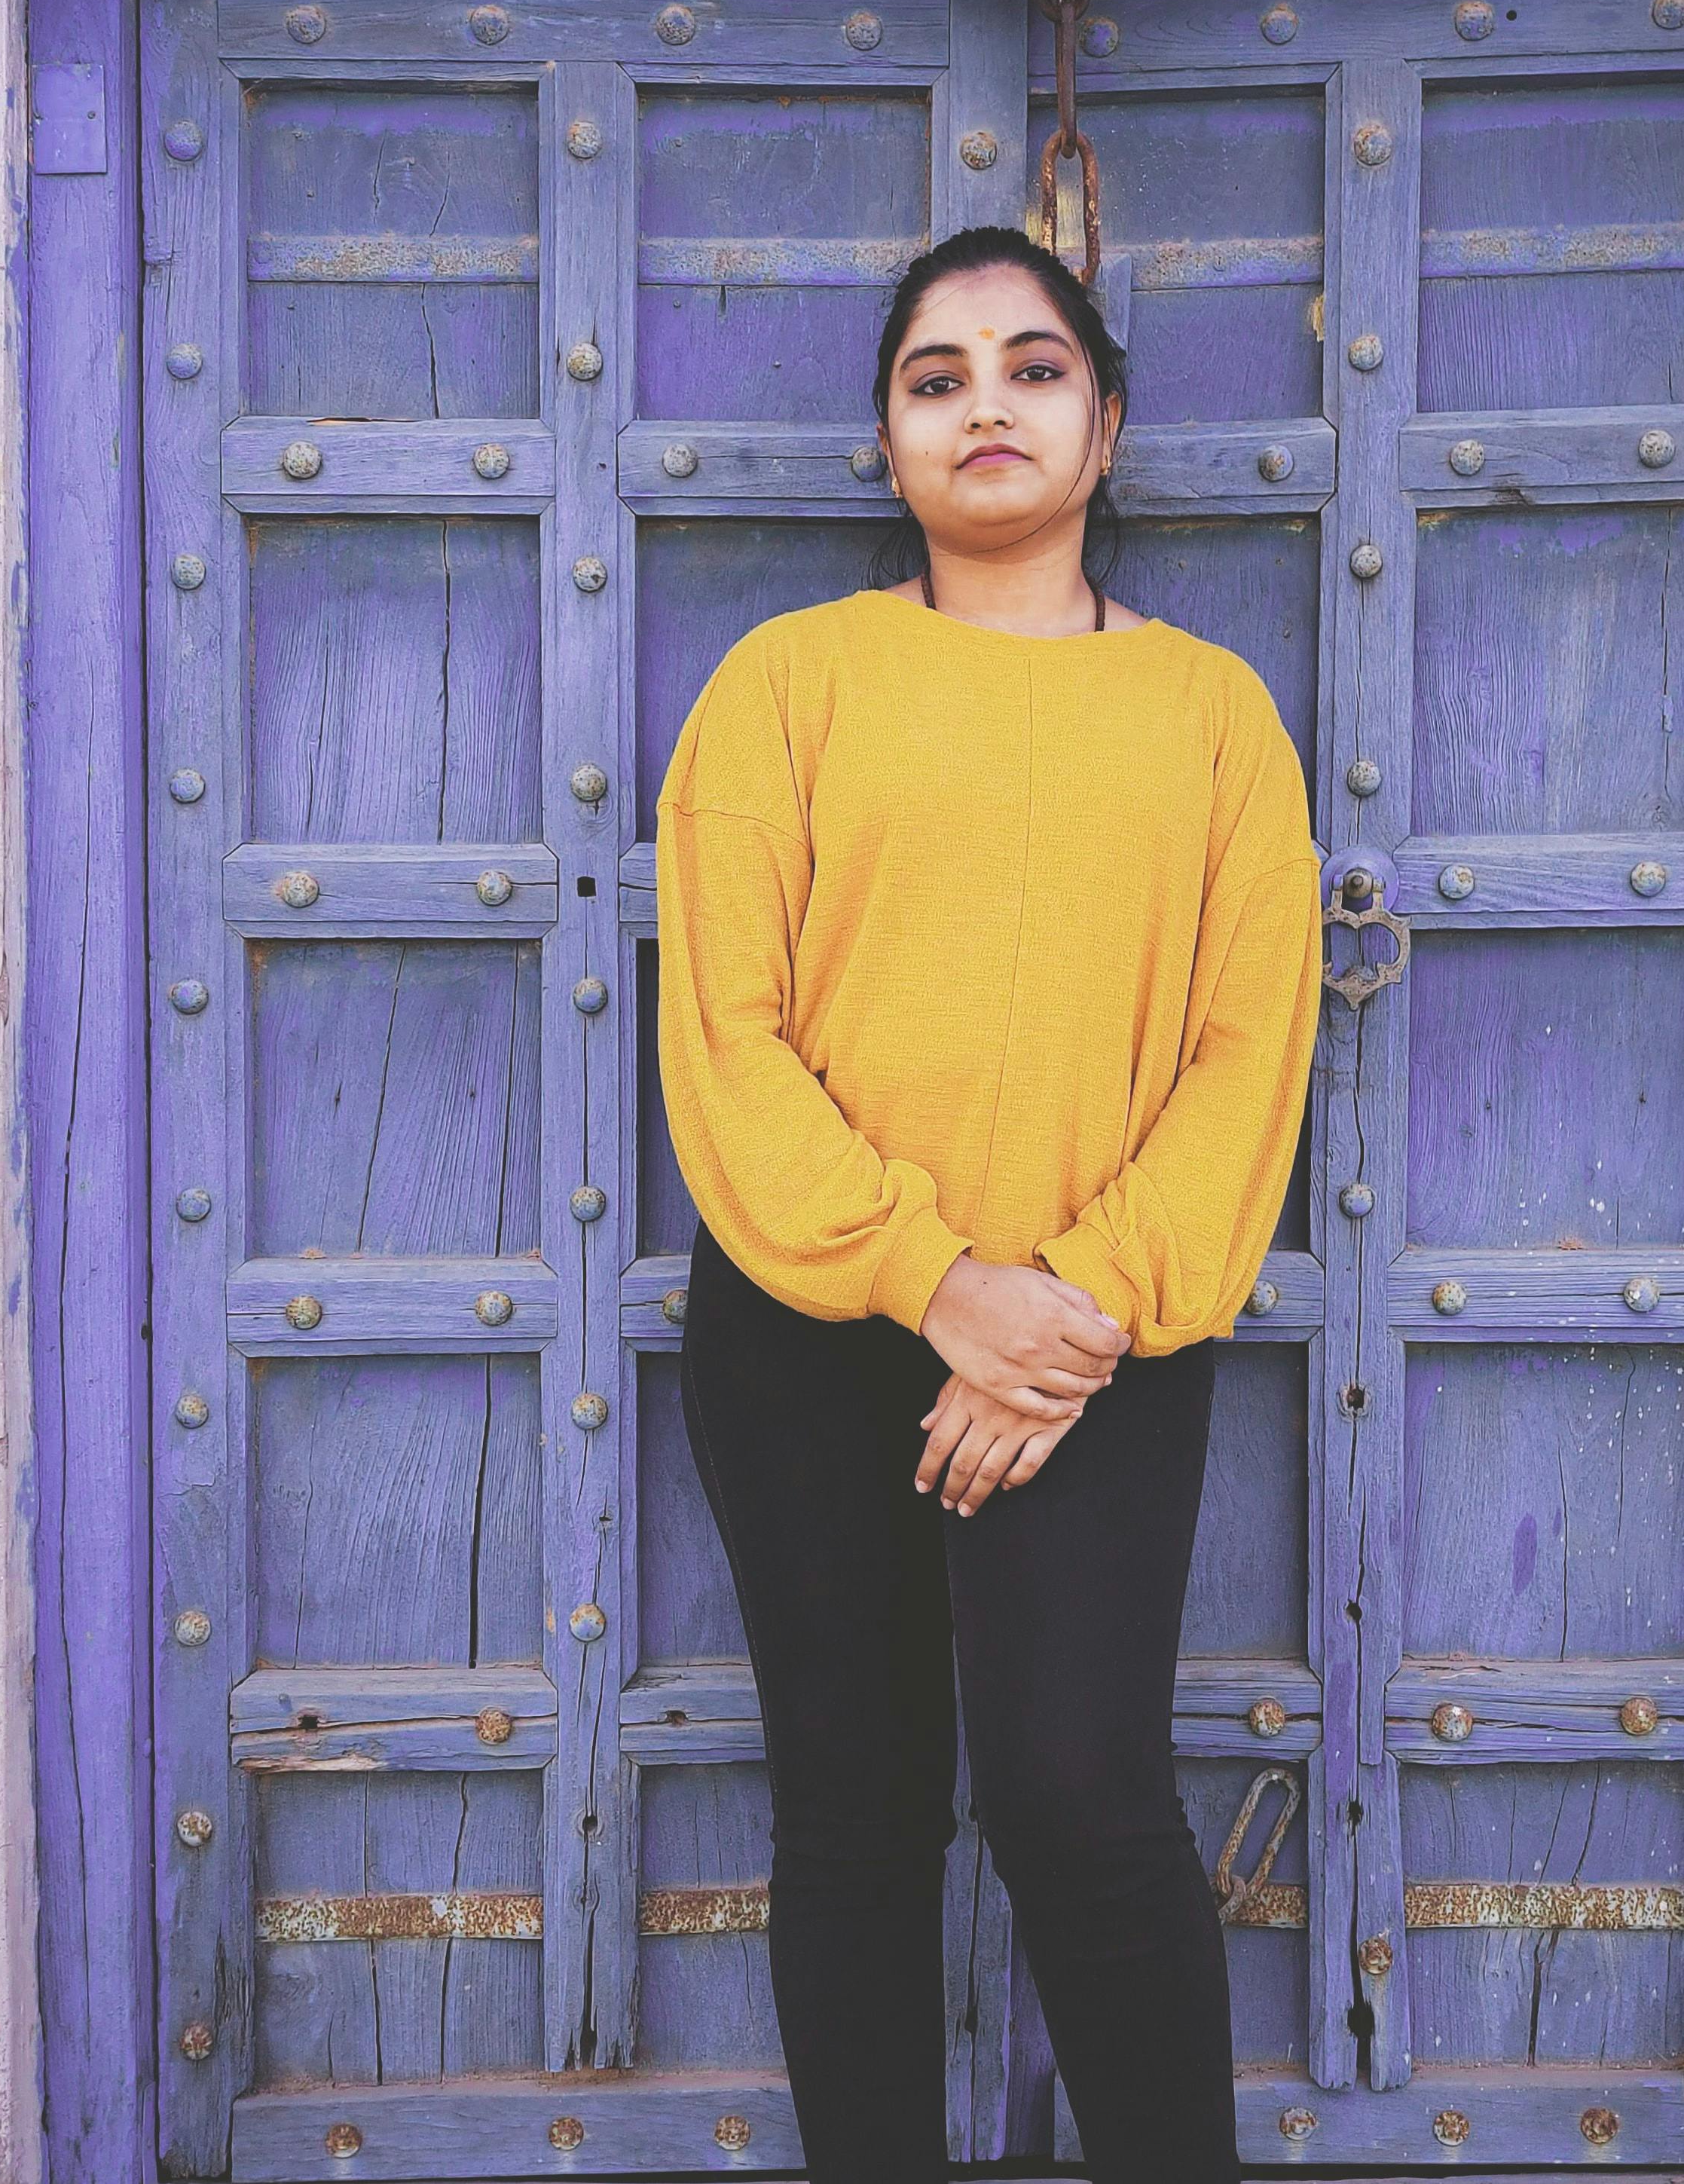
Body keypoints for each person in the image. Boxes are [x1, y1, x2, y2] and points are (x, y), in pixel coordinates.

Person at [654, 224, 1323, 2182]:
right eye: (935, 378)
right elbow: (729, 1029)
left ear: (1105, 425)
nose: (986, 406)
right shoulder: (788, 686)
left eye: (1032, 368)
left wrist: (1063, 1314)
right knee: (852, 1809)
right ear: (886, 444)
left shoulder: (1214, 715)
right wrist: (935, 1284)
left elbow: (1244, 1049)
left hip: (1097, 1337)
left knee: (1079, 1789)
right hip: (811, 1324)